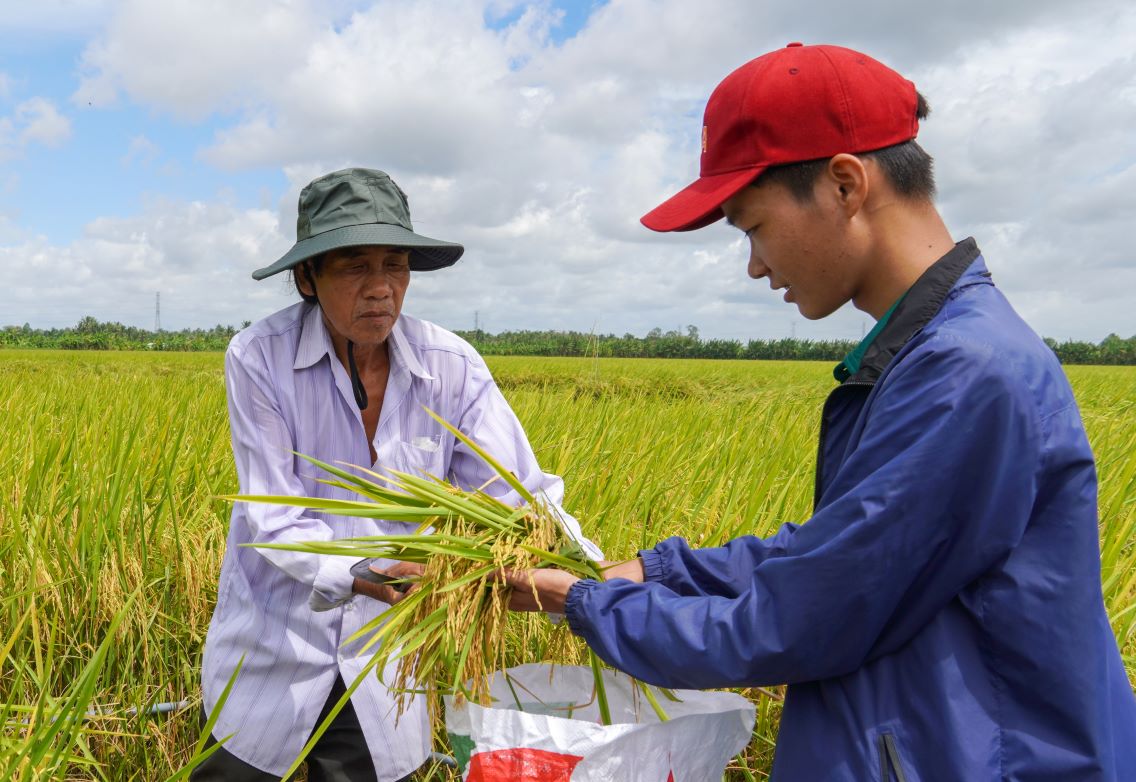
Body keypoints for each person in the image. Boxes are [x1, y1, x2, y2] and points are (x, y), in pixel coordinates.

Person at [502, 44, 1136, 780]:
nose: (754, 265)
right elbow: (835, 551)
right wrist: (656, 570)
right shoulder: (928, 353)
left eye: (752, 227)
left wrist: (581, 601)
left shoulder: (966, 372)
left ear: (844, 184)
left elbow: (800, 618)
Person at [193, 168, 598, 782]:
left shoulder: (452, 366)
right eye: (355, 266)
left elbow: (522, 495)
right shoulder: (258, 357)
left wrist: (594, 581)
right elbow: (273, 515)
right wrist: (364, 571)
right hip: (273, 644)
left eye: (396, 265)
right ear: (307, 278)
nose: (381, 288)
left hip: (385, 661)